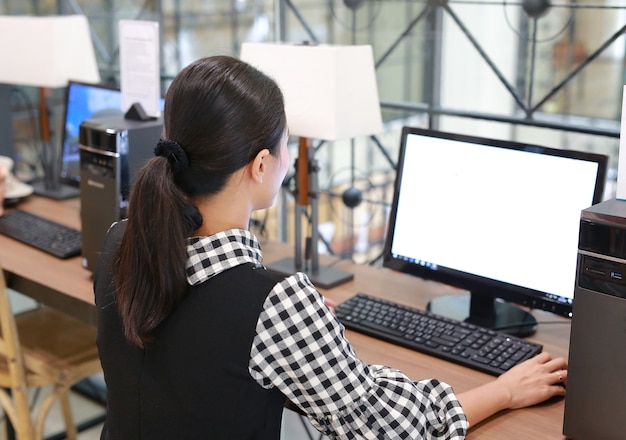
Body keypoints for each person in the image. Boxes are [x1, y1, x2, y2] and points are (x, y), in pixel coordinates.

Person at [94, 55, 568, 439]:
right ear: (261, 164)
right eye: (285, 146)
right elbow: (390, 428)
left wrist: (300, 325)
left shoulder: (121, 241)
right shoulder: (275, 304)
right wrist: (503, 391)